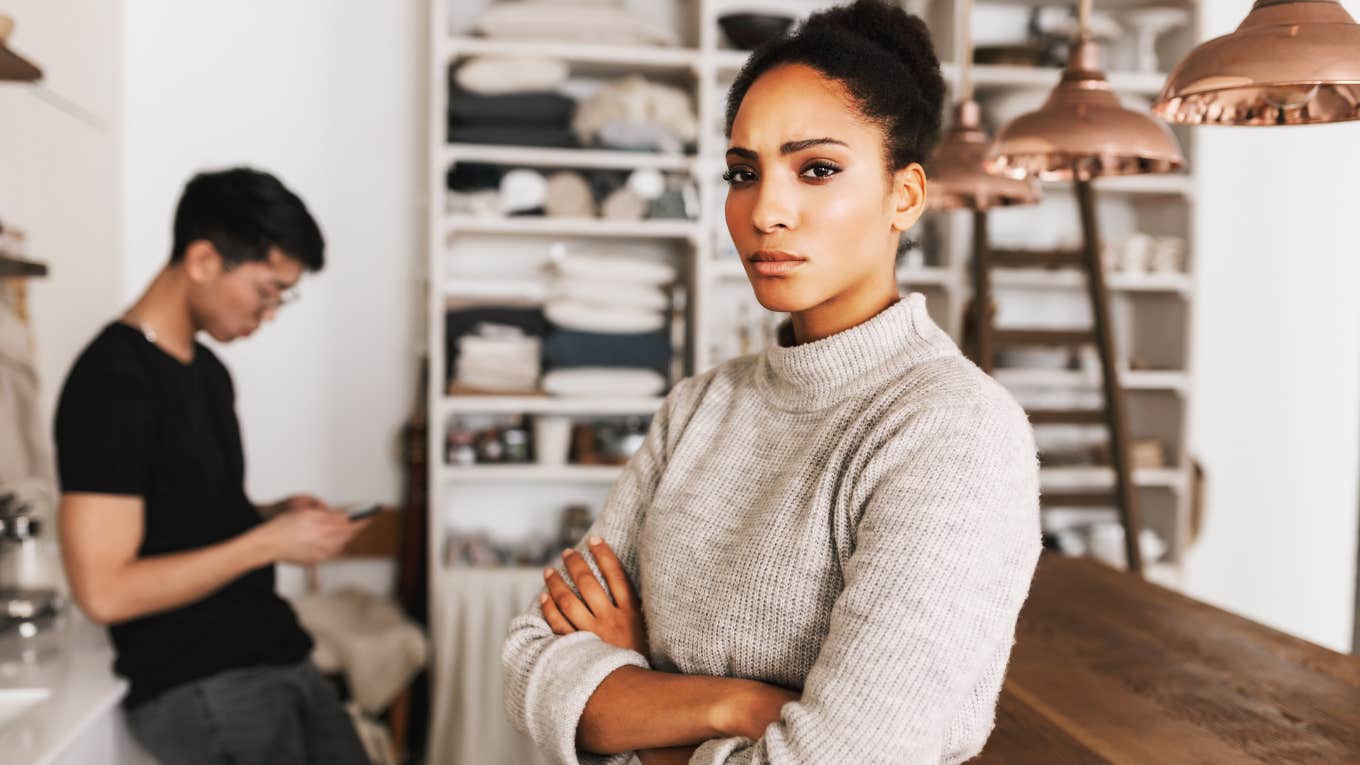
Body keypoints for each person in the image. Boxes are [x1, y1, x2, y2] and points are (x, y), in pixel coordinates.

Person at [502, 2, 1043, 763]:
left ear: (906, 195)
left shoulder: (953, 428)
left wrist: (642, 699)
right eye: (742, 173)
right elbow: (530, 660)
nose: (766, 210)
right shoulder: (698, 407)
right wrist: (741, 704)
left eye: (816, 168)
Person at [54, 167, 371, 764]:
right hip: (203, 683)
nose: (270, 313)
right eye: (266, 291)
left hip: (277, 652)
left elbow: (180, 517)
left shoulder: (207, 373)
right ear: (203, 260)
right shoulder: (111, 384)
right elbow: (103, 591)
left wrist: (273, 516)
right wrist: (270, 543)